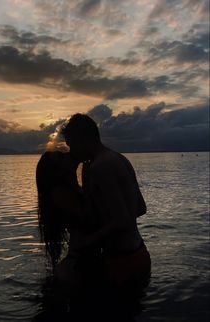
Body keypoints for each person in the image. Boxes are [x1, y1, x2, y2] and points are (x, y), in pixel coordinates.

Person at [60, 114, 151, 310]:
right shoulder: (118, 158)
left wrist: (85, 242)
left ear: (83, 139)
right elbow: (140, 208)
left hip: (122, 263)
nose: (71, 152)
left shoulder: (99, 168)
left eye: (71, 145)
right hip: (140, 256)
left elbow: (122, 222)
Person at [36, 150, 101, 309]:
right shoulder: (60, 193)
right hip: (79, 262)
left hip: (83, 258)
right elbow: (89, 220)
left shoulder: (70, 189)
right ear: (56, 170)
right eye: (60, 157)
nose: (66, 154)